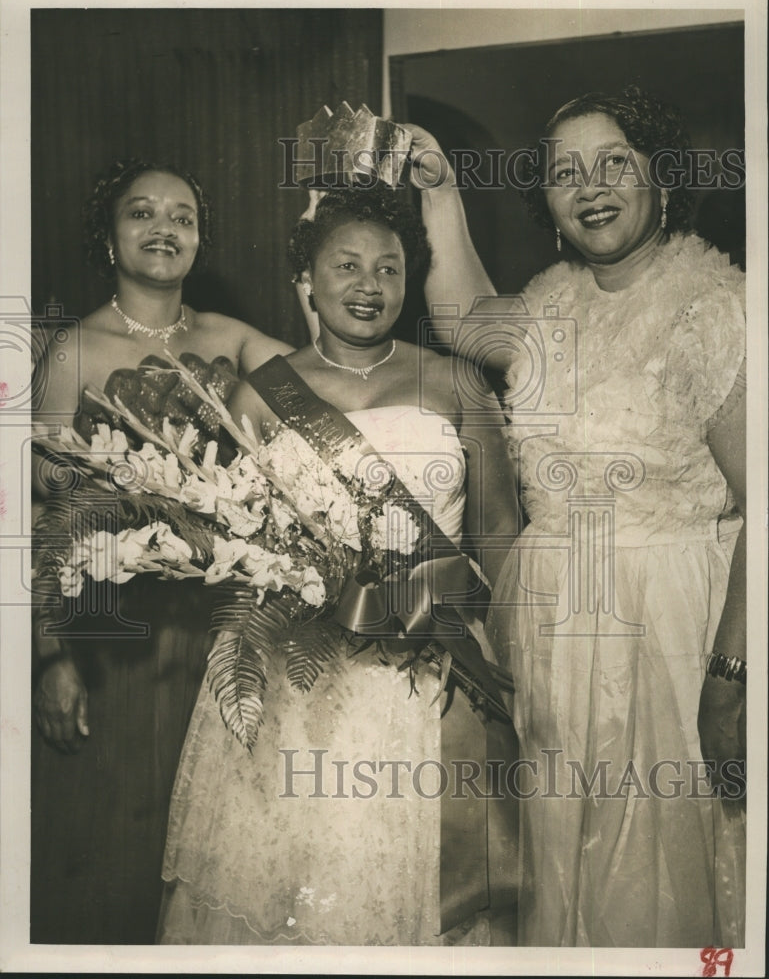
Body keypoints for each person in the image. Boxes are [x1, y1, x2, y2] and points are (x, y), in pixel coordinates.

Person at [403, 85, 746, 948]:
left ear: (660, 177)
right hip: (553, 631)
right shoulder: (546, 305)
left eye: (613, 162)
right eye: (563, 173)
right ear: (549, 206)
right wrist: (440, 190)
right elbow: (461, 320)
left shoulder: (721, 306)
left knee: (660, 868)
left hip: (671, 632)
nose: (589, 186)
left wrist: (731, 675)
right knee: (565, 863)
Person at [157, 185, 521, 945]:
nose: (368, 286)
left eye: (388, 269)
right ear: (308, 280)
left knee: (425, 896)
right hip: (298, 681)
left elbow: (500, 538)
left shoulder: (454, 383)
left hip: (429, 676)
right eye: (346, 266)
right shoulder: (260, 396)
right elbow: (237, 541)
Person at [31, 159, 293, 943]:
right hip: (117, 634)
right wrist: (48, 657)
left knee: (218, 845)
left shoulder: (231, 339)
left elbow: (335, 377)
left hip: (222, 626)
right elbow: (43, 521)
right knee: (118, 840)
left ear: (200, 238)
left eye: (182, 216)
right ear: (109, 238)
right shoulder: (74, 351)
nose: (163, 228)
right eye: (141, 213)